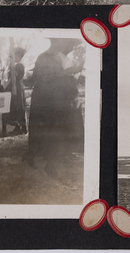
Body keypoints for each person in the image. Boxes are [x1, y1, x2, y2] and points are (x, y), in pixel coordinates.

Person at [25, 38, 83, 177]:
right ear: (56, 43)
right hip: (43, 98)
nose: (66, 46)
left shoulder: (58, 57)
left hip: (54, 97)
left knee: (53, 130)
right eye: (64, 43)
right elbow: (45, 78)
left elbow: (59, 78)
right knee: (44, 129)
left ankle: (48, 163)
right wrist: (69, 71)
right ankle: (36, 157)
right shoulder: (43, 57)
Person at [4, 47, 28, 134]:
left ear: (18, 55)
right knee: (16, 107)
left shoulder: (19, 65)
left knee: (19, 107)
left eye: (15, 55)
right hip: (15, 87)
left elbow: (15, 78)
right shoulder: (15, 65)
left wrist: (5, 86)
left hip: (17, 88)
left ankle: (23, 127)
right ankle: (19, 126)